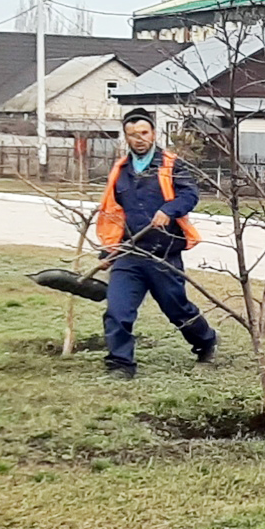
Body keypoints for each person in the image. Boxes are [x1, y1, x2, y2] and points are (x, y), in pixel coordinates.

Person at [95, 108, 217, 379]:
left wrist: (170, 209)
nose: (138, 139)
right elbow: (113, 211)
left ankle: (205, 340)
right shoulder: (121, 170)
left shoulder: (172, 164)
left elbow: (190, 195)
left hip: (163, 254)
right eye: (132, 135)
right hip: (129, 254)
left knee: (177, 309)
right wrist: (109, 250)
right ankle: (120, 364)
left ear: (153, 133)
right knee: (117, 311)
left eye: (143, 133)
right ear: (125, 137)